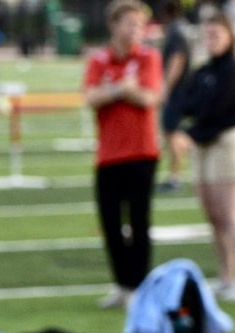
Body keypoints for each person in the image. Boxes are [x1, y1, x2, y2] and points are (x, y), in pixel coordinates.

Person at [173, 12, 235, 302]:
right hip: (202, 144)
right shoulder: (203, 71)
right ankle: (226, 278)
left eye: (216, 35)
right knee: (213, 217)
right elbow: (187, 102)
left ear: (229, 37)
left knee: (230, 214)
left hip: (225, 143)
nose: (211, 40)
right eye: (207, 35)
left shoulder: (232, 70)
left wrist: (190, 133)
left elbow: (219, 112)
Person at [83, 0, 163, 310]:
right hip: (108, 153)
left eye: (140, 25)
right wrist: (121, 89)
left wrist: (114, 91)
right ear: (113, 25)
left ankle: (138, 287)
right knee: (111, 223)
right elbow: (91, 97)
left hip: (142, 152)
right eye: (130, 23)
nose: (136, 30)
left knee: (139, 223)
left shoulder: (148, 57)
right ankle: (121, 284)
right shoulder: (98, 59)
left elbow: (148, 98)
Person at [156, 0, 192, 192]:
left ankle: (175, 177)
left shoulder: (176, 32)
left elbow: (177, 60)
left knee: (172, 132)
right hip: (181, 89)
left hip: (177, 90)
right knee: (173, 132)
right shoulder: (180, 29)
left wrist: (166, 88)